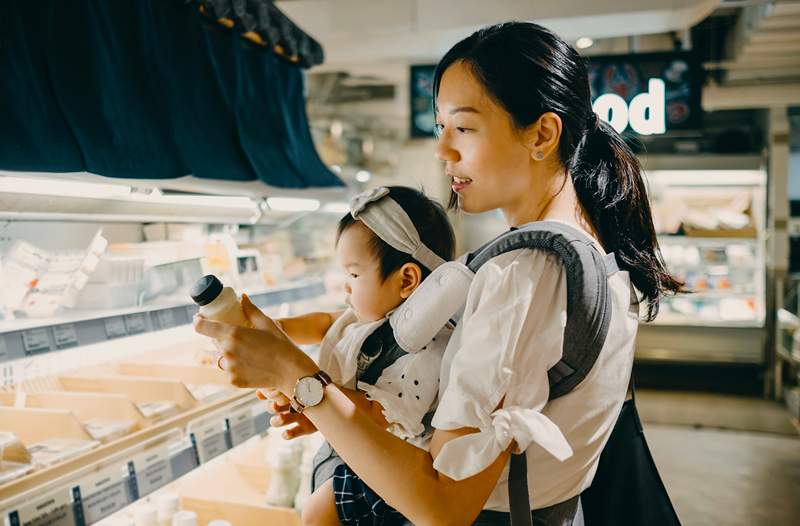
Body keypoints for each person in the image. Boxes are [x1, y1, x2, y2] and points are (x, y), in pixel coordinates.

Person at [195, 21, 682, 525]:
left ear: (542, 133)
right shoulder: (591, 248)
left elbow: (444, 505)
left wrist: (297, 379)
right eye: (440, 126)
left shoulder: (521, 275)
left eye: (464, 127)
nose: (442, 149)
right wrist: (345, 411)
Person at [253, 185, 456, 525]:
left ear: (406, 280)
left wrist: (300, 388)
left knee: (318, 513)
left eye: (354, 273)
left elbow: (375, 413)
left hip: (399, 463)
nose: (344, 284)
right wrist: (278, 329)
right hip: (362, 447)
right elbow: (327, 323)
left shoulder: (422, 350)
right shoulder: (374, 315)